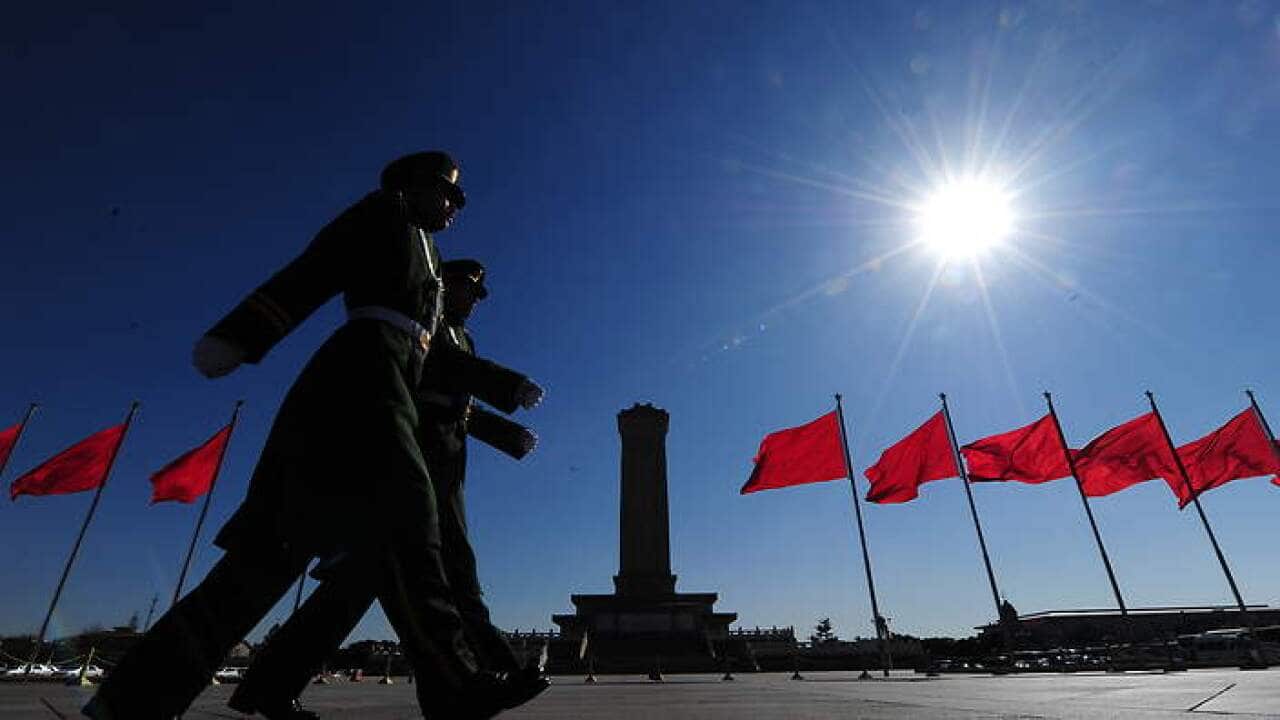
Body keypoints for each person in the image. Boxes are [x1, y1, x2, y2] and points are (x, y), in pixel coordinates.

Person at [84, 152, 524, 720]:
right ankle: (457, 684)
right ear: (411, 186)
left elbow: (437, 354)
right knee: (412, 511)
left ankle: (131, 700)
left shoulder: (430, 256)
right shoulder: (382, 216)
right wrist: (241, 335)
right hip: (359, 382)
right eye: (447, 195)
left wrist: (503, 398)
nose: (453, 207)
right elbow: (317, 267)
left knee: (265, 562)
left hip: (376, 396)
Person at [226, 260, 548, 719]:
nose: (473, 301)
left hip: (444, 472)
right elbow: (436, 373)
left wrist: (505, 436)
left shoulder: (464, 337)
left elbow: (458, 407)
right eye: (465, 290)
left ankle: (271, 686)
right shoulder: (425, 322)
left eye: (478, 296)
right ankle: (480, 678)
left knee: (380, 584)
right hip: (405, 464)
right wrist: (504, 383)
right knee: (424, 578)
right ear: (444, 286)